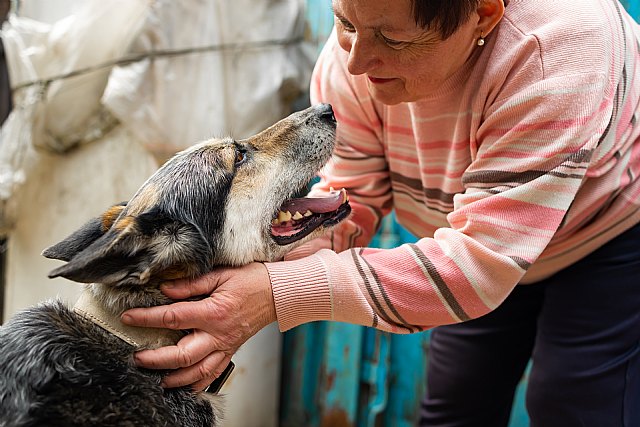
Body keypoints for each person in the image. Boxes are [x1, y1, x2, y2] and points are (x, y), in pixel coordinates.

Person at [121, 0, 640, 425]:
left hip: (604, 233)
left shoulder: (559, 54)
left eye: (393, 41)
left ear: (483, 14)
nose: (355, 64)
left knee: (572, 403)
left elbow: (476, 267)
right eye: (345, 23)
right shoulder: (361, 47)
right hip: (466, 234)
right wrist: (251, 281)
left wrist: (275, 295)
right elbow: (355, 199)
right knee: (454, 402)